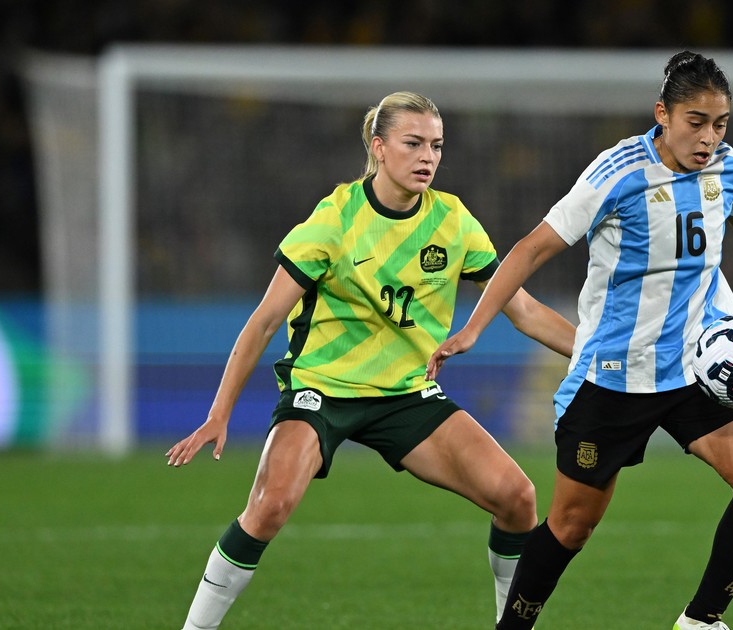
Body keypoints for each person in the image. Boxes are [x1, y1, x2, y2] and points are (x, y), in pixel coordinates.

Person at [427, 52, 733, 630]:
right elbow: (531, 247)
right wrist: (474, 327)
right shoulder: (618, 172)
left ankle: (700, 621)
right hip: (614, 376)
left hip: (696, 367)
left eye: (720, 124)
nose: (709, 138)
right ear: (662, 115)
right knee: (572, 526)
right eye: (696, 122)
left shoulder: (726, 167)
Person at [166, 91, 576, 629]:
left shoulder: (453, 222)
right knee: (269, 507)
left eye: (436, 145)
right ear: (379, 148)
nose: (427, 157)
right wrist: (218, 413)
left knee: (518, 498)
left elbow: (522, 310)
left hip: (406, 395)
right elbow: (264, 321)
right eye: (413, 143)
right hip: (322, 389)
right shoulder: (335, 220)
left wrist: (601, 354)